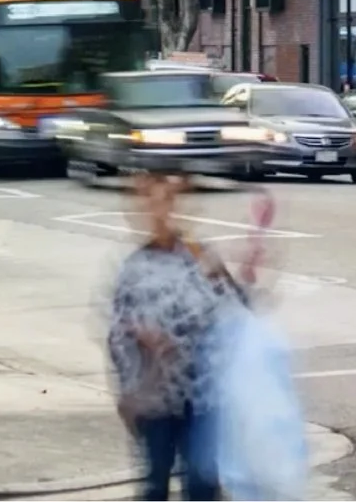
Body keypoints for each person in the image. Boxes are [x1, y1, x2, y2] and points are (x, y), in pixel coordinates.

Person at [106, 173, 234, 501]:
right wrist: (139, 347)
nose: (157, 213)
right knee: (155, 484)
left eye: (164, 203)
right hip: (154, 399)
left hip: (202, 396)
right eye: (148, 204)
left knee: (203, 482)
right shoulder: (134, 267)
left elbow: (232, 312)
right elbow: (117, 335)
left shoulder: (199, 256)